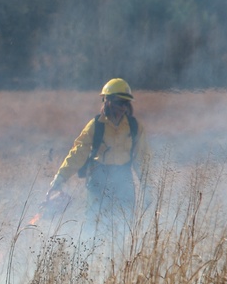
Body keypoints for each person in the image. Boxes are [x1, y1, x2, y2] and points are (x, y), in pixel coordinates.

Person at [46, 78, 151, 251]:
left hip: (124, 182)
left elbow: (143, 160)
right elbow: (77, 153)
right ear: (107, 102)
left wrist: (148, 190)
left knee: (125, 227)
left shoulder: (134, 127)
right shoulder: (95, 126)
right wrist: (60, 179)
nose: (123, 107)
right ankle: (91, 260)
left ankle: (118, 261)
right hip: (98, 182)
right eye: (119, 102)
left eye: (126, 103)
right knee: (93, 227)